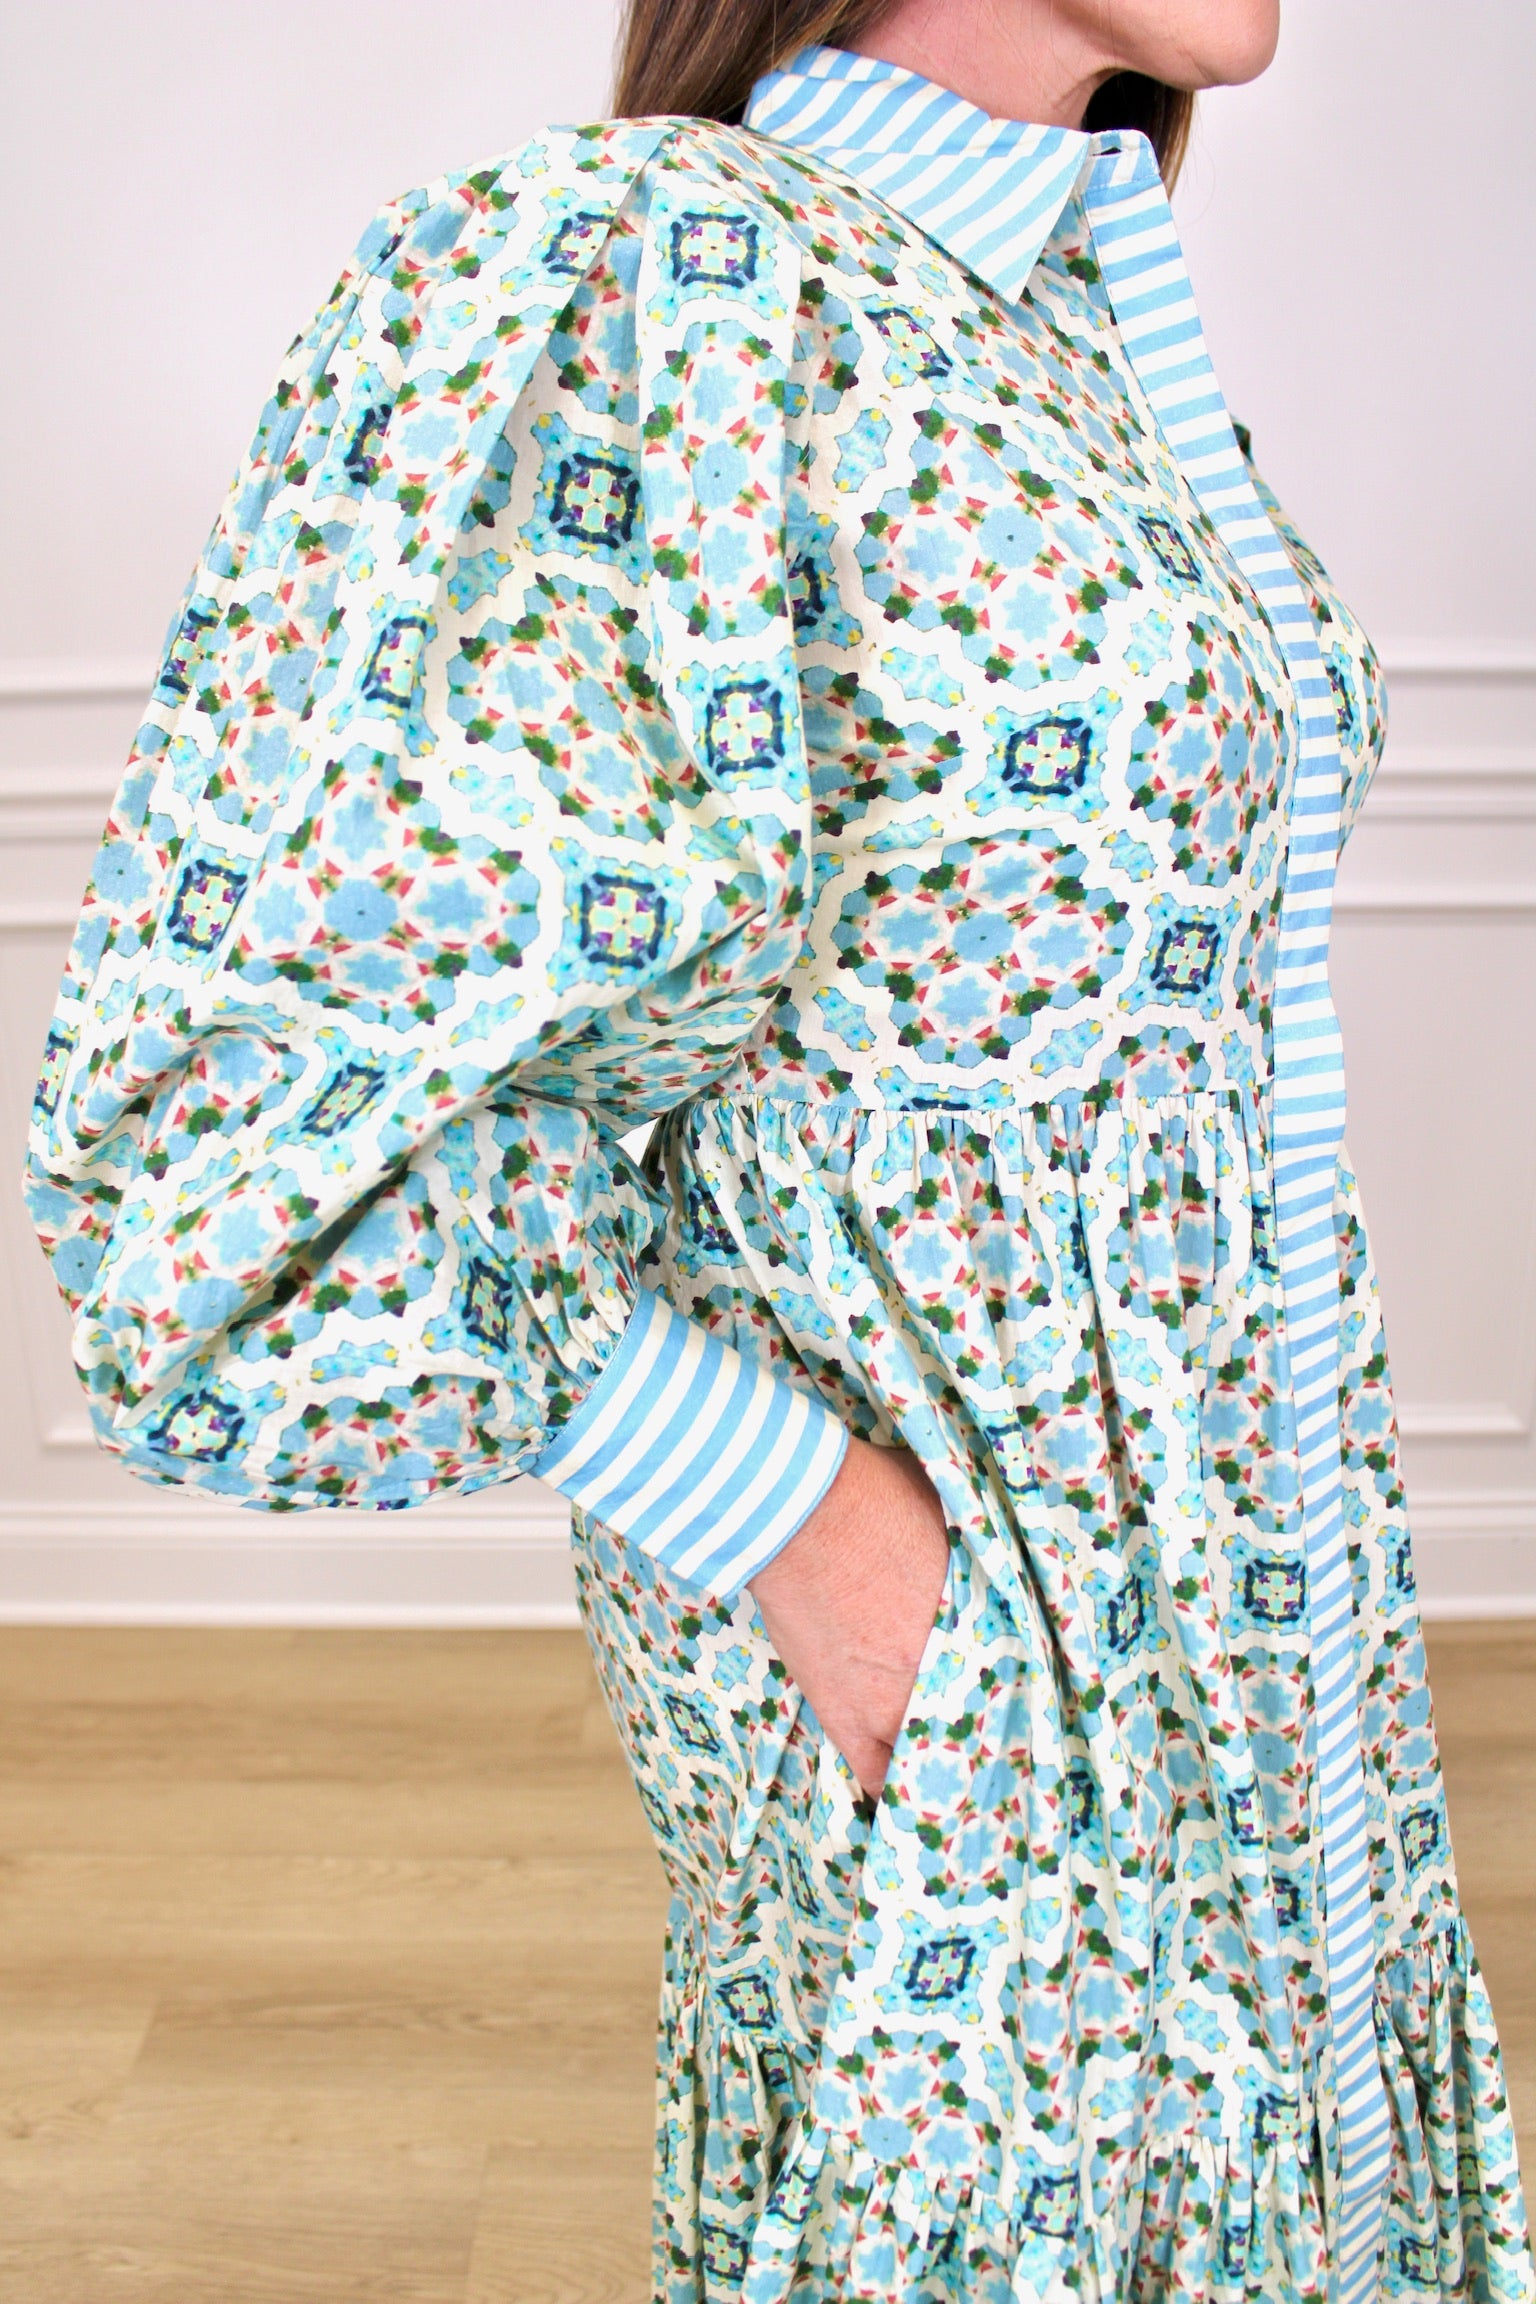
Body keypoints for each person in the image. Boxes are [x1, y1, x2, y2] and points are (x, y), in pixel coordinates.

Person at [23, 0, 1532, 2296]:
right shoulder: (642, 266)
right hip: (976, 1621)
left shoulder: (1056, 309)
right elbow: (217, 1176)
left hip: (1252, 1601)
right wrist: (822, 1546)